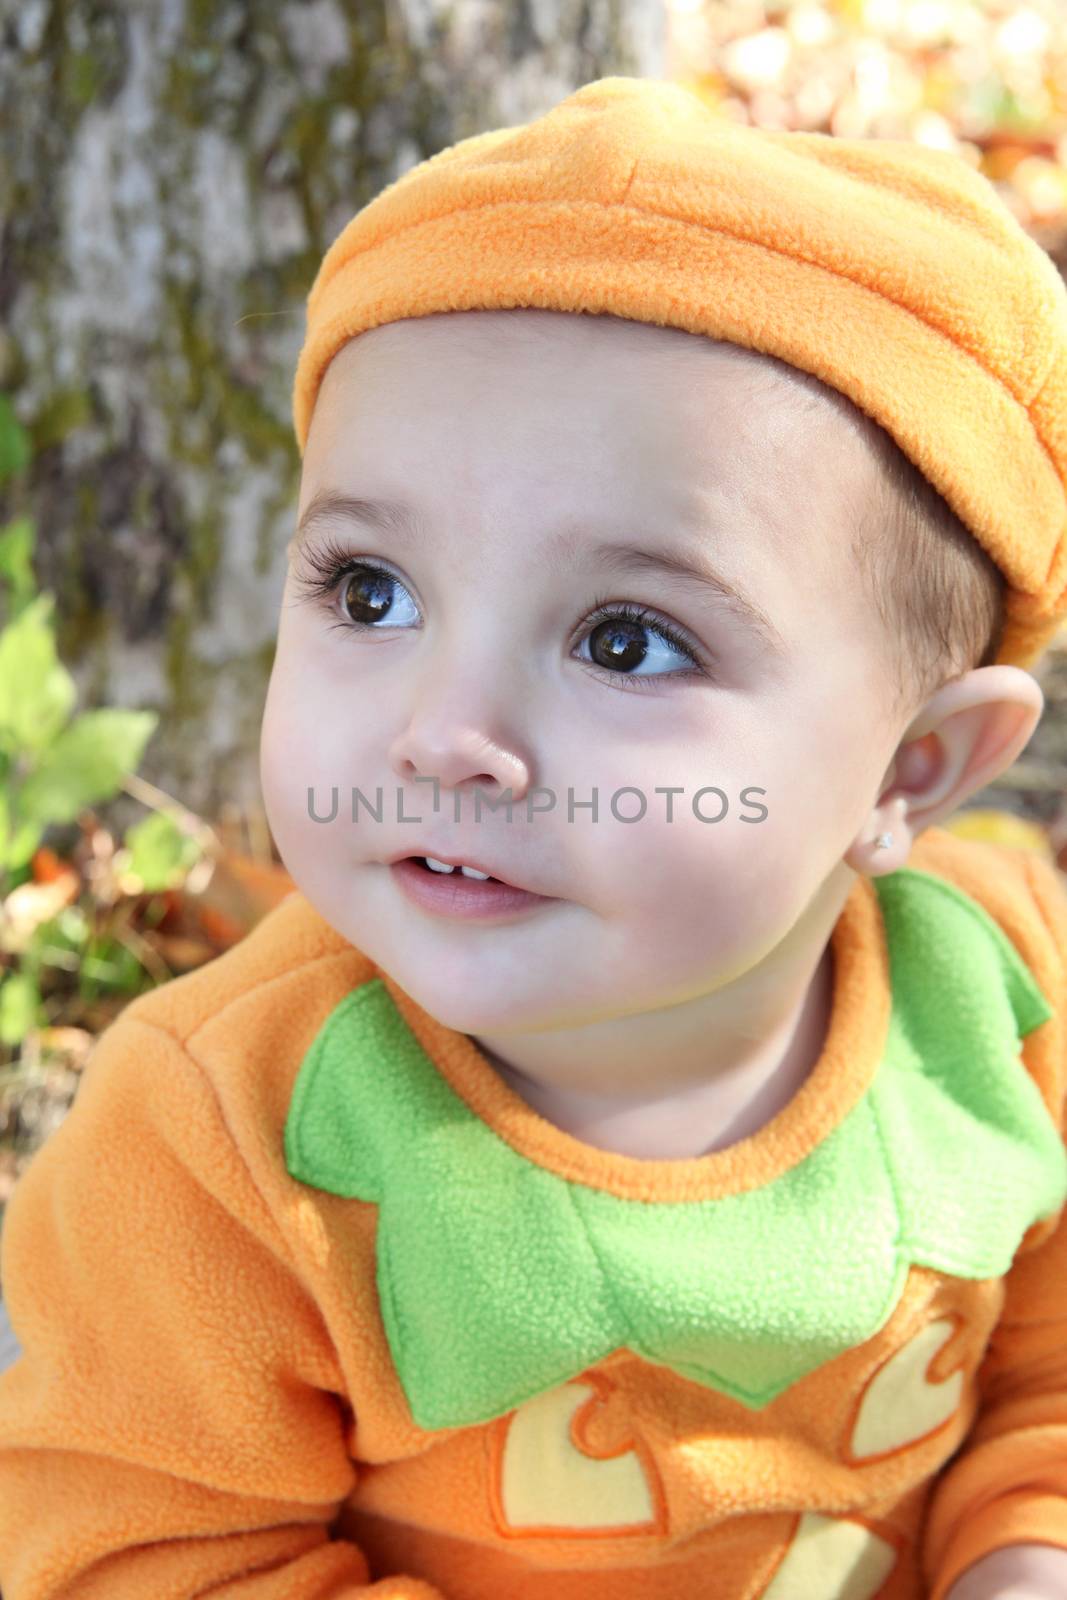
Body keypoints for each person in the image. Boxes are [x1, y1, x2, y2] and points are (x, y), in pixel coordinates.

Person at [1, 75, 1066, 1600]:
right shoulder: (220, 1142)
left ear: (910, 767)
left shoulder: (1005, 998)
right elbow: (130, 1554)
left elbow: (1046, 1378)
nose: (445, 732)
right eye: (370, 592)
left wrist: (1023, 1552)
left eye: (627, 641)